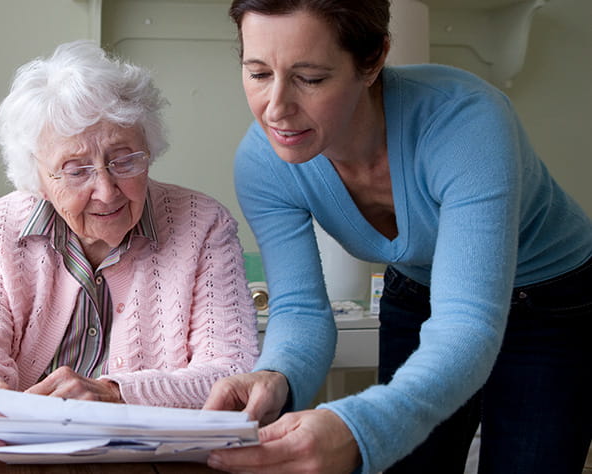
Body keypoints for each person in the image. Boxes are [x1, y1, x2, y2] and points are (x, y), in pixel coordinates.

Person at [203, 1, 592, 473]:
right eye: (259, 73)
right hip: (416, 289)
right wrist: (276, 374)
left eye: (310, 78)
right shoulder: (263, 163)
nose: (276, 109)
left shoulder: (466, 122)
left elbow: (466, 324)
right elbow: (300, 308)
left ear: (372, 61)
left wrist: (358, 427)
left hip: (554, 302)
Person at [0, 40, 260, 467]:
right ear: (38, 178)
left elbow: (231, 374)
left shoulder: (204, 225)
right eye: (75, 169)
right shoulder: (4, 225)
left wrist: (112, 394)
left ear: (149, 150)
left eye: (124, 160)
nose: (106, 190)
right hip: (11, 461)